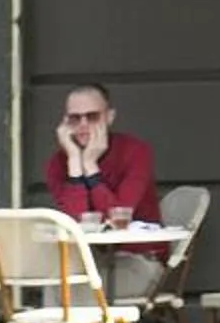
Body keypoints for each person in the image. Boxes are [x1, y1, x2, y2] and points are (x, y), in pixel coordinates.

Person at [41, 82, 163, 301]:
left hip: (138, 260)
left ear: (109, 117)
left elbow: (116, 218)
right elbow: (75, 223)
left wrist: (90, 166)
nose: (83, 125)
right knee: (56, 284)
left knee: (78, 291)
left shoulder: (136, 152)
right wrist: (76, 167)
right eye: (74, 118)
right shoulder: (59, 163)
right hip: (90, 259)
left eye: (93, 117)